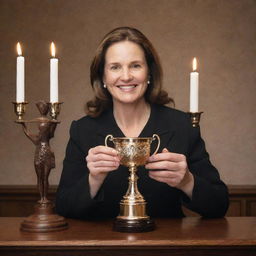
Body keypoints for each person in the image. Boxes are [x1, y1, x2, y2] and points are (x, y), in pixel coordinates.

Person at [55, 27, 229, 219]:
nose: (126, 76)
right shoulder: (83, 130)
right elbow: (64, 207)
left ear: (149, 73)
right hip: (103, 247)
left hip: (166, 246)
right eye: (115, 67)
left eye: (135, 65)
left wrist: (187, 181)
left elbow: (219, 205)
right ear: (103, 77)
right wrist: (93, 179)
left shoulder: (181, 125)